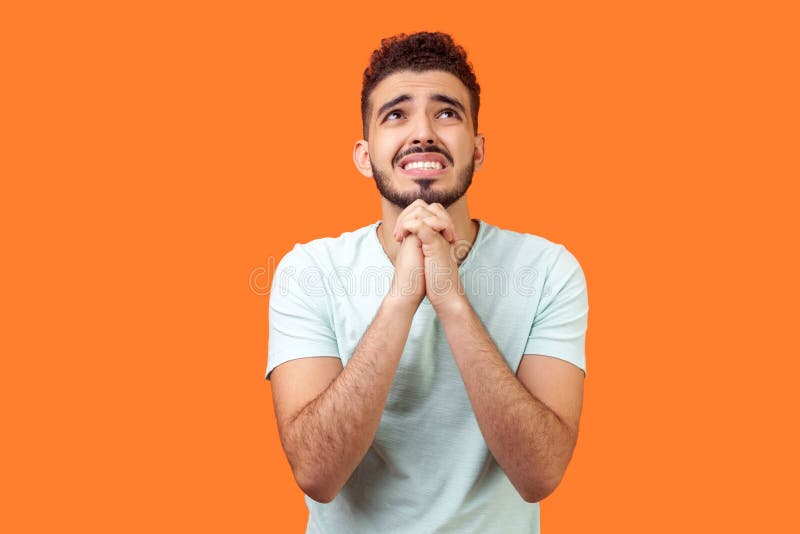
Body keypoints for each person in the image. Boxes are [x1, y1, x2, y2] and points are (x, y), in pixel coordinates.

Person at [266, 32, 588, 533]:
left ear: (478, 151)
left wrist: (451, 300)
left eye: (447, 113)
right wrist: (401, 298)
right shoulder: (307, 271)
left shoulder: (548, 269)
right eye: (396, 114)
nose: (423, 133)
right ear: (363, 154)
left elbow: (540, 473)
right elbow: (316, 472)